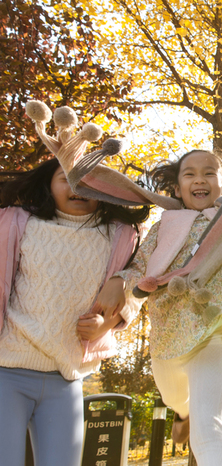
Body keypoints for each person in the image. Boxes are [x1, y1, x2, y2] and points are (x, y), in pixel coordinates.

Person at [109, 149, 222, 465]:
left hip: (211, 334)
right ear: (176, 189)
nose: (200, 179)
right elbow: (137, 266)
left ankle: (195, 419)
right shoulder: (165, 225)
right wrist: (135, 286)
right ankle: (183, 412)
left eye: (209, 173)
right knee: (172, 396)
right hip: (166, 337)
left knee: (208, 430)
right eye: (189, 174)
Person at [0, 157, 148, 466]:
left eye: (91, 181)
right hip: (7, 372)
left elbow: (146, 278)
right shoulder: (18, 222)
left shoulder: (119, 236)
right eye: (66, 178)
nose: (78, 187)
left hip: (65, 378)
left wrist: (107, 322)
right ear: (48, 185)